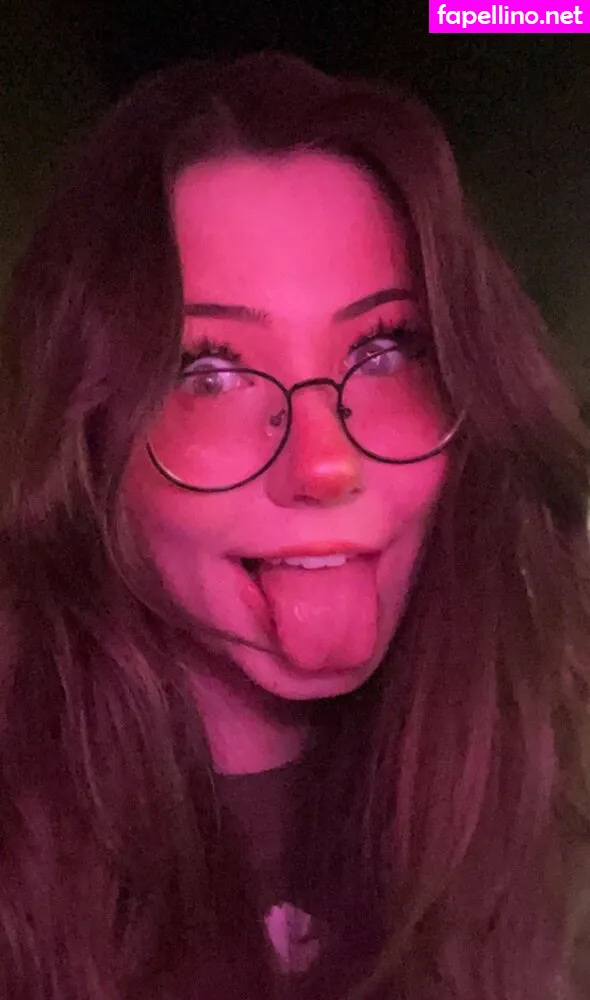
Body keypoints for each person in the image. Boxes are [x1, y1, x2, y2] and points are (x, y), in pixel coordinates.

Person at [0, 51, 588, 1000]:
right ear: (88, 438)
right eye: (209, 372)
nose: (326, 465)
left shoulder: (548, 770)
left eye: (387, 349)